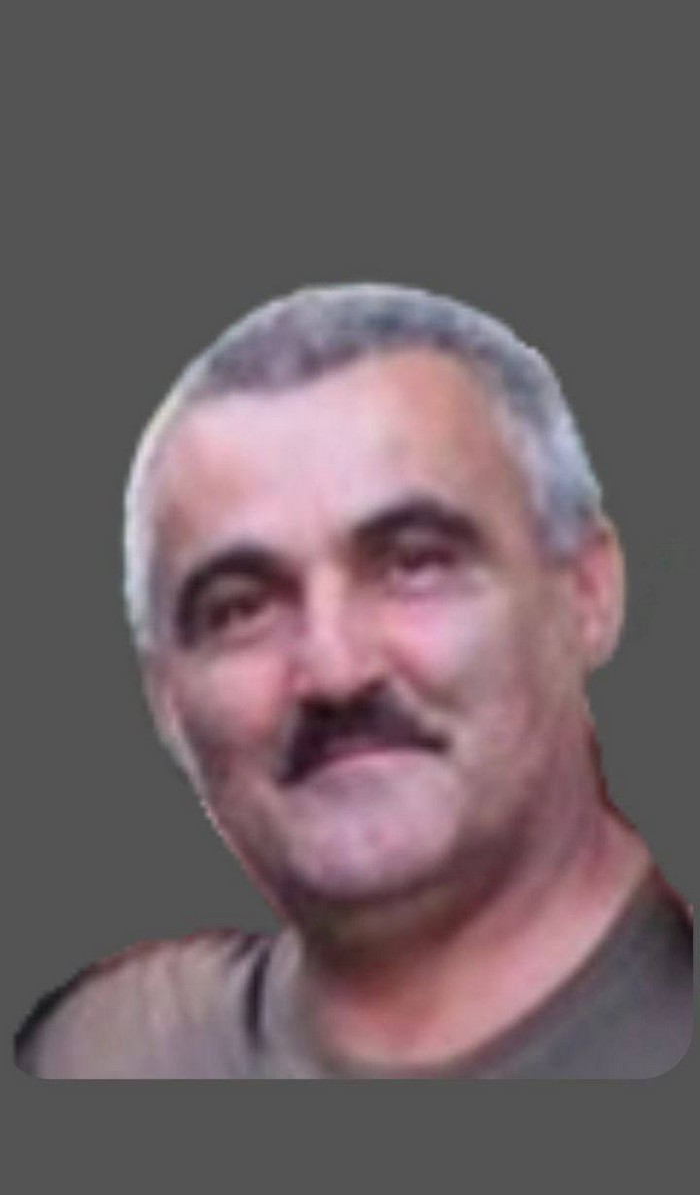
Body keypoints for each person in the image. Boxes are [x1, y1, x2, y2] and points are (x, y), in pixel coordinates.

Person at [16, 285, 692, 1078]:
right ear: (165, 699)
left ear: (586, 594)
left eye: (414, 564)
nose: (334, 672)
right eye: (240, 609)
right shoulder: (106, 1058)